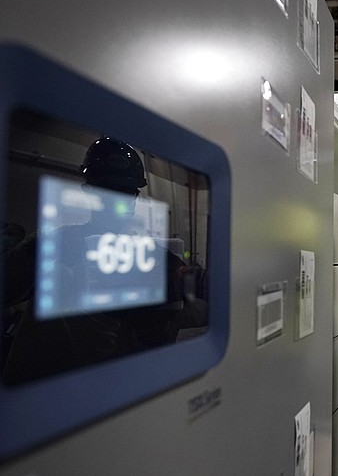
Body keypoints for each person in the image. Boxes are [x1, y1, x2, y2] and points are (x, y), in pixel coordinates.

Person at [2, 137, 207, 385]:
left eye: (124, 192)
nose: (116, 202)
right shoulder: (52, 243)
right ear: (89, 192)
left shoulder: (149, 253)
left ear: (134, 197)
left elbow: (192, 281)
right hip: (38, 386)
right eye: (107, 191)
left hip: (98, 390)